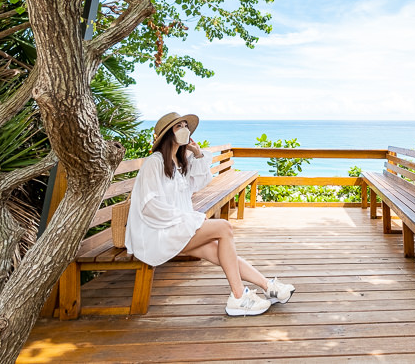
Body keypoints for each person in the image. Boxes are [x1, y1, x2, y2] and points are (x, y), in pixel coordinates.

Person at [125, 112, 294, 316]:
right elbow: (149, 206)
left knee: (218, 251)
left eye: (186, 125)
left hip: (173, 230)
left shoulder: (178, 163)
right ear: (168, 134)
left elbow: (200, 182)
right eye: (179, 126)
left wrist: (197, 154)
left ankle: (268, 286)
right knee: (224, 227)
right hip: (157, 234)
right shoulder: (155, 162)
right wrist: (189, 219)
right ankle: (239, 297)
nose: (185, 129)